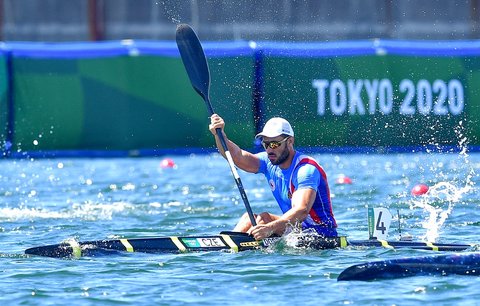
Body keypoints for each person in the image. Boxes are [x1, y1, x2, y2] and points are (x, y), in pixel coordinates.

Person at [209, 114, 337, 240]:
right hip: (297, 229)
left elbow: (301, 210)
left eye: (275, 144)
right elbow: (237, 157)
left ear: (290, 142)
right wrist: (219, 134)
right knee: (249, 218)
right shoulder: (269, 161)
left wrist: (270, 228)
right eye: (266, 144)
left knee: (264, 219)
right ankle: (225, 245)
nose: (270, 149)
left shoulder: (305, 170)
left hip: (321, 234)